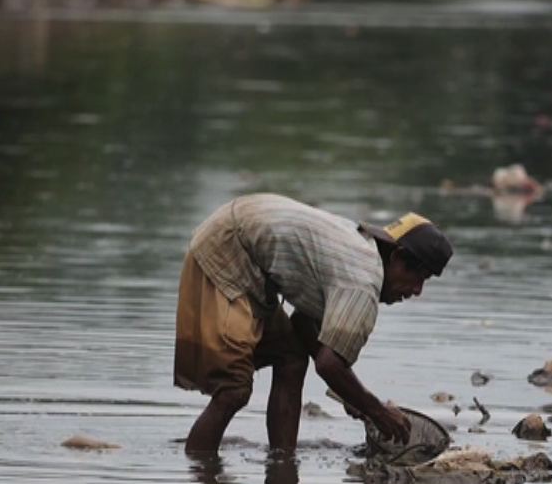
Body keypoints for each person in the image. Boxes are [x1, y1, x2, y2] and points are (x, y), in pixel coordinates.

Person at [174, 193, 453, 453]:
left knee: (291, 357)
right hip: (229, 250)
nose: (417, 291)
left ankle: (282, 461)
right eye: (419, 278)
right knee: (233, 389)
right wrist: (375, 410)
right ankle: (201, 476)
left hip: (246, 246)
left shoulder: (360, 254)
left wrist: (353, 397)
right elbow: (329, 364)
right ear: (397, 258)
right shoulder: (362, 282)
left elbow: (304, 328)